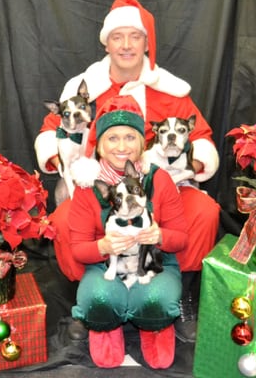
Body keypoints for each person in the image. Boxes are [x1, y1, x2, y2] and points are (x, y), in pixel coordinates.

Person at [35, 0, 220, 343]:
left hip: (161, 186)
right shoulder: (82, 88)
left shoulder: (171, 90)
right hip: (97, 185)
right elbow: (50, 130)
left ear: (147, 43)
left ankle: (183, 297)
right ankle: (85, 301)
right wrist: (63, 160)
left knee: (205, 213)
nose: (125, 45)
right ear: (106, 41)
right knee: (61, 221)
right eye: (117, 36)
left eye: (134, 36)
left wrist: (189, 161)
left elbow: (201, 138)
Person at [66, 95, 188, 368]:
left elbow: (181, 238)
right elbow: (78, 248)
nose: (122, 146)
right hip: (105, 264)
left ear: (143, 143)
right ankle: (107, 327)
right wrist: (104, 247)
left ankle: (154, 324)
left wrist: (160, 237)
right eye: (112, 138)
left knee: (155, 299)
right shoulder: (89, 186)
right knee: (99, 298)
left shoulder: (159, 178)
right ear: (99, 146)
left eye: (130, 137)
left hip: (152, 261)